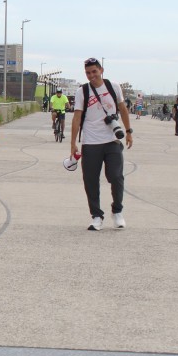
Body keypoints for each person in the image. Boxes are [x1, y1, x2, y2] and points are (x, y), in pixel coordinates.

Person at [69, 57, 134, 231]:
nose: (91, 75)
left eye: (94, 71)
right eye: (88, 73)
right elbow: (76, 118)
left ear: (101, 70)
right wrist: (73, 143)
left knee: (116, 177)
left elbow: (123, 109)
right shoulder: (82, 91)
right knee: (90, 180)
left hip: (112, 140)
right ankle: (96, 216)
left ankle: (117, 211)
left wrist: (128, 132)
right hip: (91, 142)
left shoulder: (113, 87)